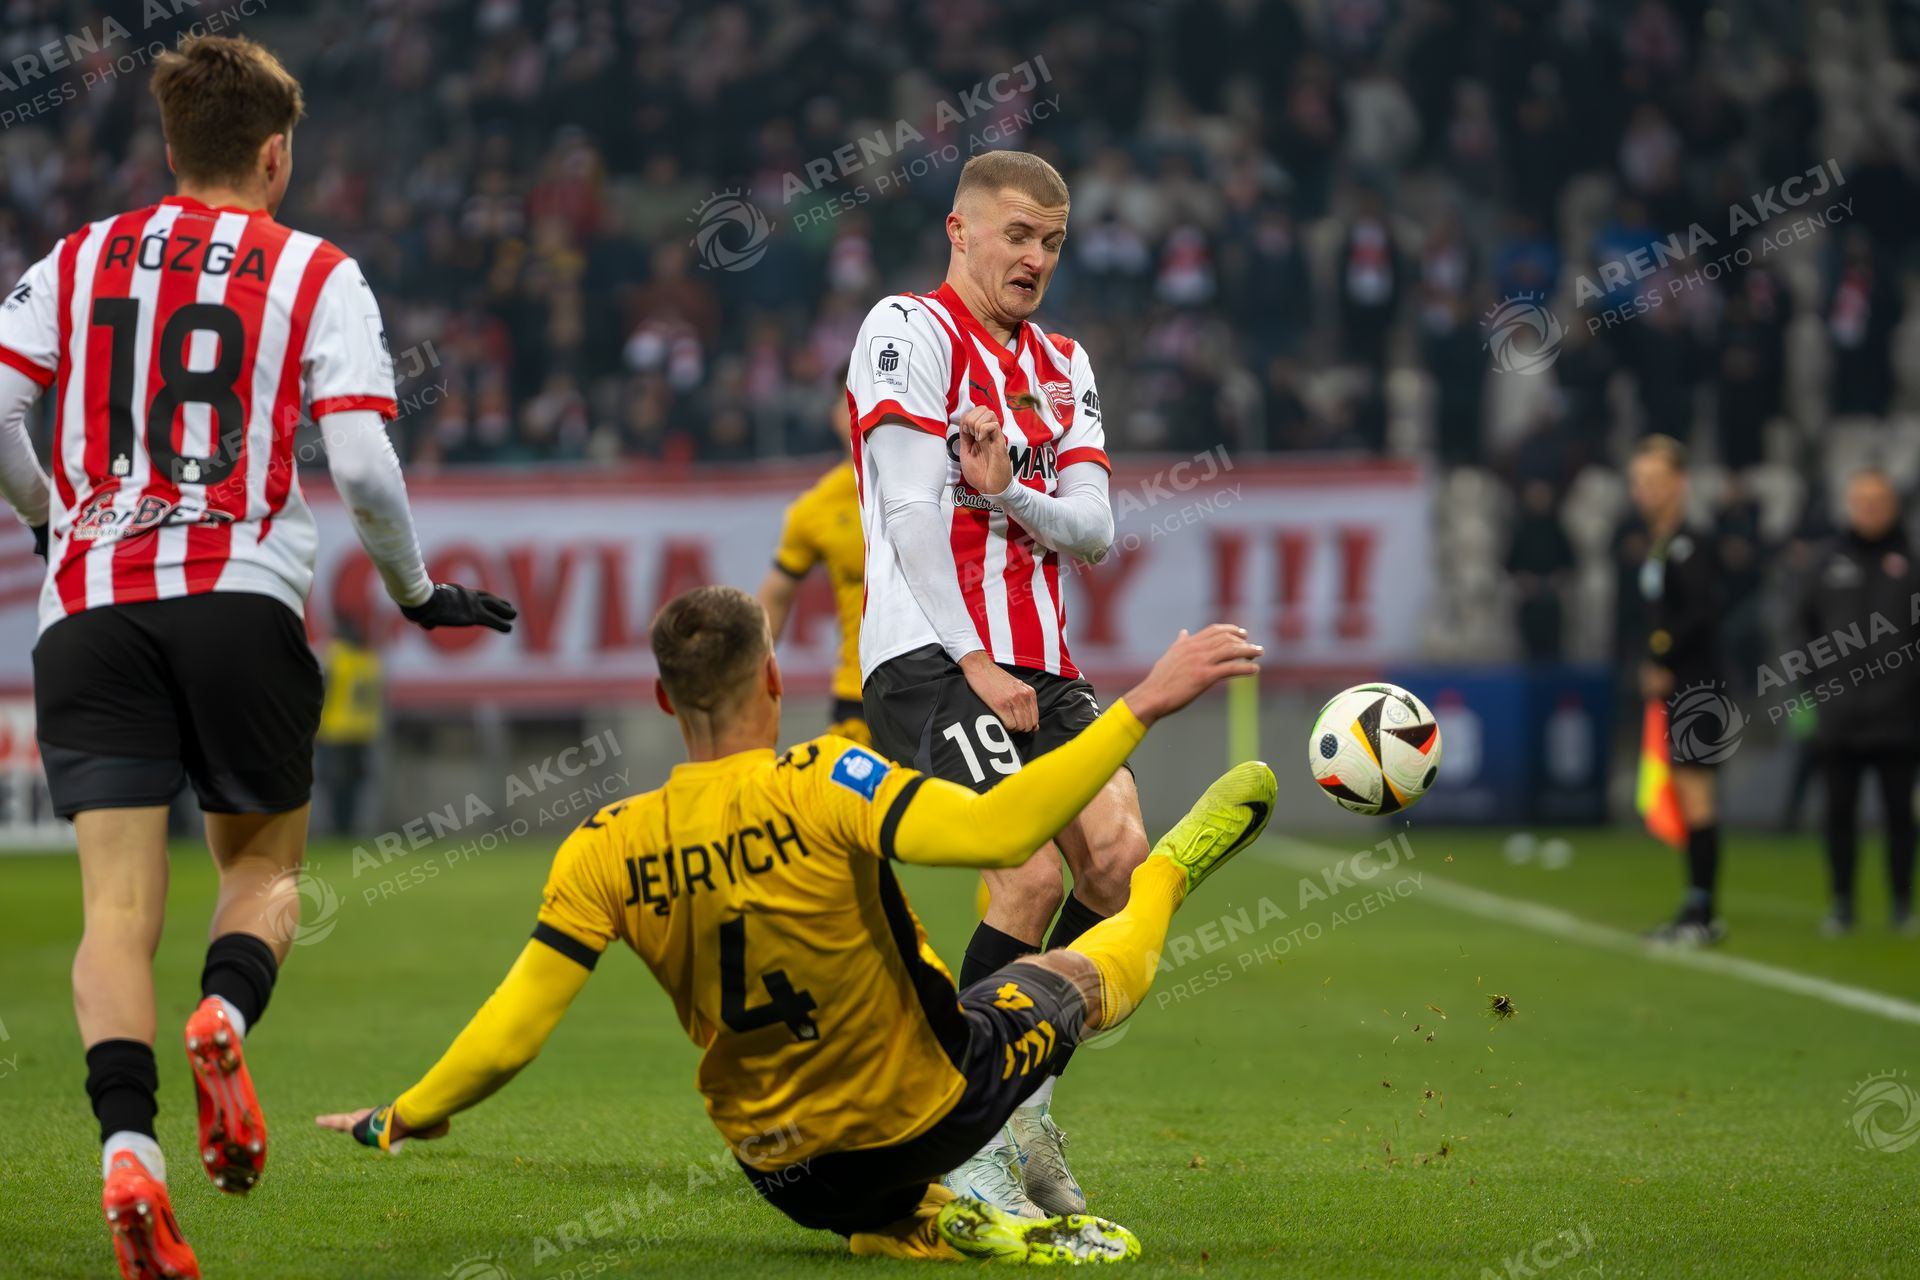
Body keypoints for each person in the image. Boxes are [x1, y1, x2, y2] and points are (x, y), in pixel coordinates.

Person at [316, 586, 1274, 1265]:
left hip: (784, 1175)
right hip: (922, 1116)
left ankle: (921, 1225)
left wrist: (400, 1117)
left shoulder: (603, 845)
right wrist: (1142, 703)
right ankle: (1174, 873)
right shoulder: (828, 778)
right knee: (1078, 973)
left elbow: (512, 1033)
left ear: (663, 698)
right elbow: (1002, 829)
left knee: (885, 1157)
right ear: (774, 676)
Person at [0, 36, 517, 1280]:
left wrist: (51, 516)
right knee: (265, 865)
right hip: (240, 594)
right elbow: (367, 464)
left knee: (115, 911)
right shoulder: (315, 269)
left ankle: (130, 1153)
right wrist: (416, 590)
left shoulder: (76, 257)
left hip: (91, 606)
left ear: (169, 147)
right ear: (277, 154)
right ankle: (225, 1012)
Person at [846, 150, 1137, 1214]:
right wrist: (973, 657)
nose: (1035, 259)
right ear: (959, 231)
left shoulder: (1064, 361)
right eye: (1017, 235)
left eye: (1051, 242)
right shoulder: (906, 329)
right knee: (1027, 874)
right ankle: (964, 1139)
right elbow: (910, 510)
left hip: (1042, 659)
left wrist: (1011, 490)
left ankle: (1021, 1107)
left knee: (1117, 864)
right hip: (929, 652)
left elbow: (1094, 530)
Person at [1797, 469, 1920, 936]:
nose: (1869, 508)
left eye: (1878, 500)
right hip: (1839, 714)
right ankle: (1842, 902)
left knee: (1900, 816)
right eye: (1861, 500)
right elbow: (1803, 627)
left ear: (1893, 505)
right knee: (1838, 814)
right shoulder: (1826, 562)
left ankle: (1902, 904)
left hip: (1900, 716)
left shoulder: (1911, 562)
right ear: (1849, 504)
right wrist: (1814, 688)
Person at [1628, 435, 1727, 944]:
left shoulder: (1691, 544)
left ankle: (1702, 912)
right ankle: (1697, 906)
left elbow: (1701, 612)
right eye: (1639, 480)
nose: (1645, 490)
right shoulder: (1661, 544)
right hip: (1677, 684)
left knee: (1696, 795)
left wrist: (1661, 657)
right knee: (1686, 795)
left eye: (1655, 479)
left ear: (1679, 483)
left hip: (1698, 685)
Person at [757, 391, 867, 744]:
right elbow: (776, 595)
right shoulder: (814, 509)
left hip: (948, 680)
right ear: (837, 416)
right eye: (853, 402)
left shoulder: (952, 482)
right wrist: (750, 676)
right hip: (859, 693)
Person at [315, 608, 384, 836]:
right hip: (362, 731)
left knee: (336, 784)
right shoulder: (368, 660)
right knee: (353, 784)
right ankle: (347, 828)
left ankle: (339, 829)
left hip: (336, 730)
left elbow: (319, 692)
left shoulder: (335, 658)